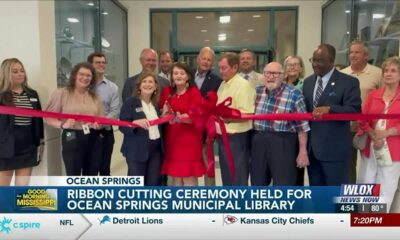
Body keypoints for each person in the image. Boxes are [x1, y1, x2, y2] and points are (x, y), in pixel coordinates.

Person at [303, 44, 361, 186]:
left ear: (332, 61)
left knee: (336, 197)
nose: (315, 64)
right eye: (313, 60)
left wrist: (330, 109)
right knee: (318, 198)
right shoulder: (308, 82)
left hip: (335, 151)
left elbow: (354, 111)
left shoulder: (349, 82)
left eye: (320, 61)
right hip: (312, 151)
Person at [251, 62, 309, 186]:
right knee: (257, 183)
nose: (270, 77)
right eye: (267, 73)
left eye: (275, 74)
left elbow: (302, 126)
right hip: (258, 141)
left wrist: (303, 151)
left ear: (283, 75)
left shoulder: (294, 94)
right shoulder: (257, 91)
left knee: (284, 184)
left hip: (283, 143)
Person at [45, 62, 104, 176]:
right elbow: (48, 116)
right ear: (74, 75)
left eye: (88, 75)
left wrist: (98, 124)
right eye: (81, 74)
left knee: (91, 175)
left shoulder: (94, 96)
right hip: (72, 136)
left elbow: (101, 119)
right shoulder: (62, 93)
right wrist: (63, 125)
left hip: (93, 137)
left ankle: (88, 194)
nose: (85, 78)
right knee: (73, 174)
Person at [357, 56, 400, 212]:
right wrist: (372, 133)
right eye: (386, 70)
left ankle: (379, 225)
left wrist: (387, 133)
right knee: (366, 184)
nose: (388, 74)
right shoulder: (373, 95)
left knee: (386, 187)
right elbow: (363, 118)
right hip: (370, 147)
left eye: (393, 71)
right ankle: (364, 222)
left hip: (394, 150)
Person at [341, 40, 382, 183]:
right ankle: (350, 198)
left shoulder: (378, 73)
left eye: (357, 52)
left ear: (366, 55)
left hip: (371, 128)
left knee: (370, 164)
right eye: (351, 52)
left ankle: (369, 198)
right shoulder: (342, 74)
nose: (353, 55)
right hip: (349, 127)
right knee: (348, 164)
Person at [160, 62, 206, 186]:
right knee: (176, 179)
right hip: (172, 139)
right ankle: (178, 204)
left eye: (182, 73)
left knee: (189, 178)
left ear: (188, 76)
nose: (178, 76)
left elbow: (196, 117)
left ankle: (191, 205)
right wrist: (165, 114)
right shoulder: (167, 91)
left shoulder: (194, 92)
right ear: (171, 76)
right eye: (175, 73)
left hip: (190, 141)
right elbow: (163, 115)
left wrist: (179, 118)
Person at [0, 58, 44, 186]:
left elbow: (38, 119)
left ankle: (18, 207)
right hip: (5, 147)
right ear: (6, 74)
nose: (20, 74)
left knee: (22, 190)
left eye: (22, 71)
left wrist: (41, 141)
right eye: (15, 71)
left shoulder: (32, 94)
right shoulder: (1, 95)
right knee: (4, 191)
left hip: (28, 145)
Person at [217, 52, 256, 186]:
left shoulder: (244, 85)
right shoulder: (223, 84)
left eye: (224, 68)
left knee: (238, 177)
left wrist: (230, 119)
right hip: (223, 137)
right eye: (220, 68)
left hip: (237, 139)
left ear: (234, 67)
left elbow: (248, 114)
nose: (221, 71)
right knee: (227, 177)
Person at [120, 72, 163, 186]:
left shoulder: (156, 105)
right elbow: (122, 125)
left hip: (155, 151)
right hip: (136, 150)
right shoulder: (131, 102)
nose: (147, 84)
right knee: (137, 185)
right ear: (139, 86)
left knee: (153, 183)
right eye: (144, 81)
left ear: (155, 86)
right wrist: (134, 123)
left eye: (150, 82)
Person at [87, 52, 119, 176]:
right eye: (97, 62)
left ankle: (105, 194)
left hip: (106, 132)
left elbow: (115, 111)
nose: (101, 65)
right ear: (90, 65)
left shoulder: (113, 87)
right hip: (86, 132)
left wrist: (101, 122)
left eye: (103, 62)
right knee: (90, 169)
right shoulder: (84, 85)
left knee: (105, 169)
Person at [193, 46, 222, 186]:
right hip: (187, 129)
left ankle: (210, 196)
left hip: (206, 132)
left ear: (212, 64)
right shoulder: (186, 75)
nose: (205, 62)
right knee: (189, 165)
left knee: (208, 165)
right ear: (198, 59)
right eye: (203, 58)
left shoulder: (217, 81)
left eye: (209, 60)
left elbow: (217, 107)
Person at [283, 55, 306, 186]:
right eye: (289, 65)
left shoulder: (306, 85)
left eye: (295, 64)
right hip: (281, 133)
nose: (292, 67)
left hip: (298, 133)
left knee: (297, 170)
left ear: (301, 69)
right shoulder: (278, 85)